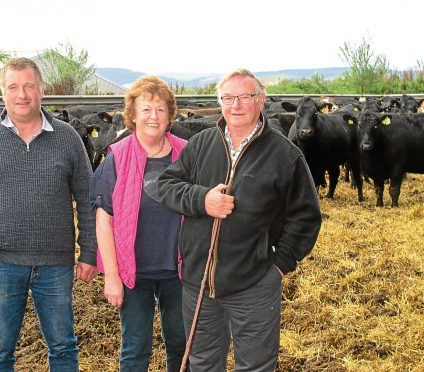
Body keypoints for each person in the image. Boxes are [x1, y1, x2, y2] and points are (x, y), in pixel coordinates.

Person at [158, 68, 322, 371]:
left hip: (255, 283)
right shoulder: (201, 144)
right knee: (204, 364)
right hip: (199, 283)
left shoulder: (285, 155)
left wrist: (279, 263)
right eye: (228, 97)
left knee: (256, 366)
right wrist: (202, 199)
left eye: (245, 97)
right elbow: (167, 186)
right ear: (220, 102)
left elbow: (306, 217)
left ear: (260, 101)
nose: (236, 105)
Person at [0, 57, 97, 371]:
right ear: (2, 93)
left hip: (54, 263)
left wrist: (89, 251)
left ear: (41, 90)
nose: (22, 94)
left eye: (29, 85)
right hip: (0, 262)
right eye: (13, 87)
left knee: (63, 348)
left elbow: (87, 199)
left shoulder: (67, 137)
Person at [90, 76, 187, 371]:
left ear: (170, 115)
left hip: (180, 271)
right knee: (135, 347)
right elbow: (103, 219)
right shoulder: (117, 157)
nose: (153, 116)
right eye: (145, 109)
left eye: (160, 109)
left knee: (182, 345)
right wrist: (111, 276)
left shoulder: (188, 154)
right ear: (132, 115)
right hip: (133, 273)